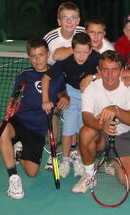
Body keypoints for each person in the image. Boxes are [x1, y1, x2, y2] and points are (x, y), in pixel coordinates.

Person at [0, 38, 69, 199]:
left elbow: (63, 93)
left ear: (48, 54)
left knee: (32, 173)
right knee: (1, 131)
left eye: (41, 55)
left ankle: (18, 150)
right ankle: (13, 178)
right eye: (33, 56)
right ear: (29, 57)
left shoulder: (57, 75)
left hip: (38, 130)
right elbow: (13, 96)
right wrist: (10, 105)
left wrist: (65, 98)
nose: (37, 60)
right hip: (19, 122)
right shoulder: (25, 74)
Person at [72, 50, 130, 193]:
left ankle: (113, 160)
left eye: (115, 70)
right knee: (86, 132)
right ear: (99, 70)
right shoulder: (91, 88)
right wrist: (102, 125)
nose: (110, 75)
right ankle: (89, 176)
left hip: (123, 137)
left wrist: (116, 109)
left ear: (121, 70)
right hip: (100, 135)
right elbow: (86, 117)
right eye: (105, 70)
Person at [41, 32, 101, 179]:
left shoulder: (96, 57)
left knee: (83, 130)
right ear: (72, 50)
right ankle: (66, 161)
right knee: (68, 130)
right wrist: (45, 100)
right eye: (77, 52)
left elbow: (106, 73)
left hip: (89, 95)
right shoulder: (65, 60)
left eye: (85, 52)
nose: (81, 56)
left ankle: (79, 160)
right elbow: (46, 78)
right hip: (71, 95)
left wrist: (91, 77)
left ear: (91, 50)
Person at [43, 1, 84, 169]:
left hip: (78, 79)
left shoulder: (84, 33)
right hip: (57, 77)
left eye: (73, 18)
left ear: (79, 20)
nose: (69, 22)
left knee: (77, 112)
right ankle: (53, 151)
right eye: (65, 18)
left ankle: (74, 149)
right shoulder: (50, 37)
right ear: (59, 21)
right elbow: (47, 62)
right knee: (54, 111)